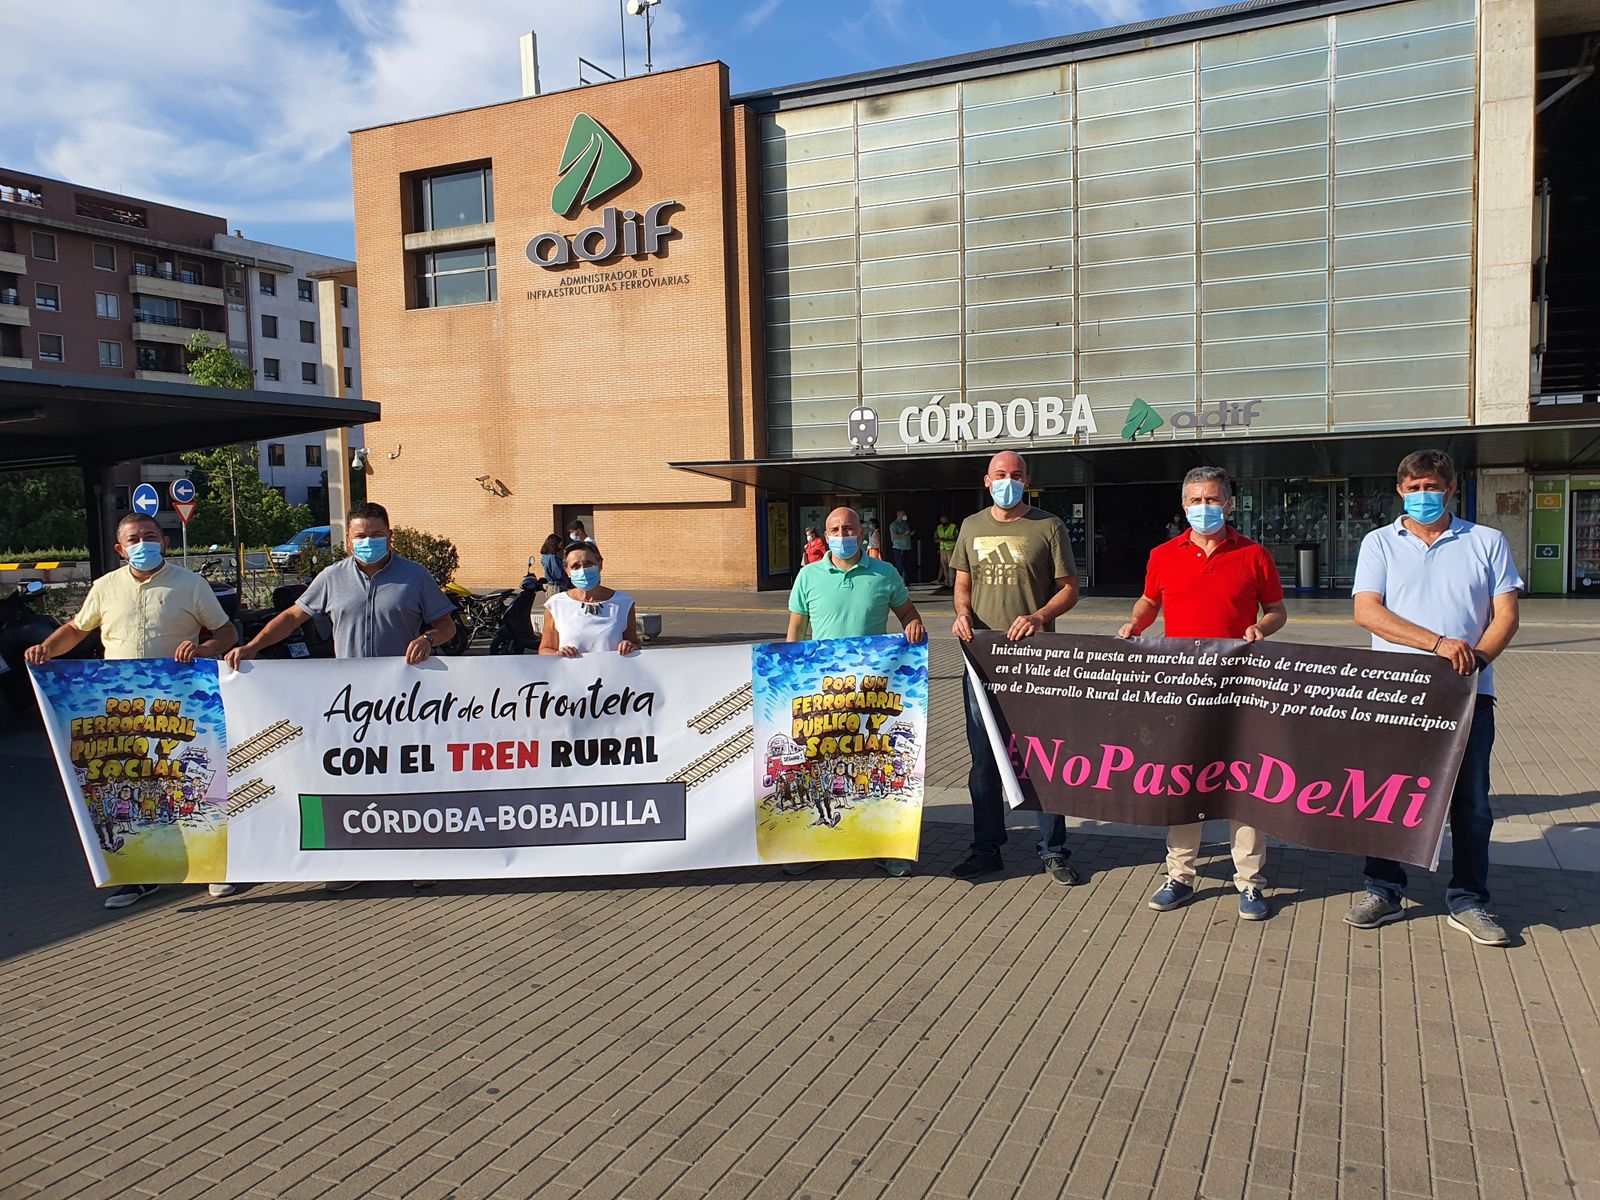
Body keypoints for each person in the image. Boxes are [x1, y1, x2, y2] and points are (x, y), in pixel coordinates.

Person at [225, 502, 456, 893]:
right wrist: (253, 647)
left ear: (390, 535)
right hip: (348, 704)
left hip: (405, 700)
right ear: (348, 540)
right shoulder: (331, 578)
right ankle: (352, 861)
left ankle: (419, 856)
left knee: (405, 779)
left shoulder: (415, 578)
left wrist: (429, 639)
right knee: (352, 783)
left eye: (375, 534)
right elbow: (291, 618)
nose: (368, 541)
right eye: (360, 535)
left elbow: (446, 625)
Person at [1344, 449, 1522, 947]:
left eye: (1433, 486)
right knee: (1386, 793)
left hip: (1467, 695)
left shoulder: (1486, 540)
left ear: (1451, 488)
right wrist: (1439, 645)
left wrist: (1478, 660)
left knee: (1471, 805)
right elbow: (1368, 612)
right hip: (1395, 692)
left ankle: (1469, 900)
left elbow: (1505, 613)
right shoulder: (1379, 542)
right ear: (1400, 490)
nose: (1424, 495)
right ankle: (1383, 889)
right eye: (1414, 487)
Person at [25, 513, 239, 908]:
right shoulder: (104, 588)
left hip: (183, 709)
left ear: (165, 542)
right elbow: (77, 629)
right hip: (121, 714)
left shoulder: (191, 585)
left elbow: (226, 632)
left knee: (190, 786)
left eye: (150, 536)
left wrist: (206, 650)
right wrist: (47, 650)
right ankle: (135, 876)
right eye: (134, 539)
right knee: (128, 791)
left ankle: (214, 870)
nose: (143, 544)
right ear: (120, 549)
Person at [1117, 466, 1287, 921]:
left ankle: (1250, 883)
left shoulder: (1253, 554)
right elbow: (1149, 601)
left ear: (1229, 505)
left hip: (1238, 685)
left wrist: (1260, 627)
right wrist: (1136, 624)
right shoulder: (1163, 555)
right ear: (1184, 506)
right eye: (1194, 501)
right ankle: (1179, 875)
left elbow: (1276, 610)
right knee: (1184, 778)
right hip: (1182, 683)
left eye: (1211, 500)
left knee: (1241, 784)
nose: (1203, 508)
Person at [950, 451, 1082, 884]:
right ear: (986, 481)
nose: (1009, 481)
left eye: (1017, 476)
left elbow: (1069, 590)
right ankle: (986, 848)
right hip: (982, 661)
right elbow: (962, 584)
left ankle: (1053, 850)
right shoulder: (970, 526)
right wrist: (963, 613)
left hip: (1036, 660)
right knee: (984, 760)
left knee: (1042, 756)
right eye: (1001, 475)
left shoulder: (1049, 526)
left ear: (1028, 481)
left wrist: (1040, 616)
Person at [785, 506, 927, 878]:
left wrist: (913, 626)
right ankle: (813, 847)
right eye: (834, 529)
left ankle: (887, 848)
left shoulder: (884, 573)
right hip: (822, 692)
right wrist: (788, 679)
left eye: (848, 528)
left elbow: (909, 613)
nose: (842, 534)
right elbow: (796, 631)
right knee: (819, 765)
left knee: (876, 761)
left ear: (861, 533)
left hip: (874, 689)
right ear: (824, 534)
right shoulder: (808, 576)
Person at [539, 541, 639, 656]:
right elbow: (545, 649)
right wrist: (558, 653)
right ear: (567, 571)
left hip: (611, 672)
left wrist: (630, 646)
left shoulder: (624, 602)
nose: (583, 570)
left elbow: (635, 643)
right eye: (575, 566)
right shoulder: (555, 604)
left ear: (600, 565)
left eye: (589, 564)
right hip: (570, 673)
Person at [934, 514, 959, 591]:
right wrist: (940, 540)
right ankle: (946, 582)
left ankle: (952, 583)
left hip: (950, 549)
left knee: (951, 566)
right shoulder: (939, 527)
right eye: (941, 519)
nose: (943, 521)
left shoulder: (953, 527)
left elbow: (957, 537)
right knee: (944, 566)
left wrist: (950, 539)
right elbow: (935, 538)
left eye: (944, 519)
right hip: (942, 549)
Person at [889, 510, 914, 580]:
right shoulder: (894, 524)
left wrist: (910, 533)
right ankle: (898, 582)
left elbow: (908, 533)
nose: (904, 516)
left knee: (907, 566)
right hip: (899, 548)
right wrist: (905, 533)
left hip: (907, 547)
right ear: (898, 515)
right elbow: (894, 537)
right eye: (903, 515)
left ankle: (906, 582)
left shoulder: (905, 523)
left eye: (905, 514)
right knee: (900, 565)